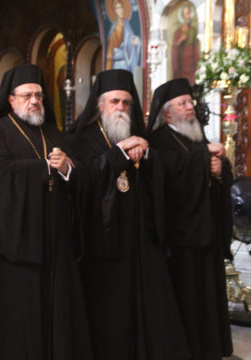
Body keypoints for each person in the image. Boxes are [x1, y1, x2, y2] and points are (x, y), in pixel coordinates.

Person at [66, 69, 189, 360]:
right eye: (114, 102)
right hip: (103, 242)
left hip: (140, 239)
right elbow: (82, 180)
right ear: (100, 105)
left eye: (125, 102)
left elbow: (158, 179)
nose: (121, 107)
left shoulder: (139, 135)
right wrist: (119, 153)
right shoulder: (81, 138)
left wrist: (146, 154)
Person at [0, 64, 92, 359]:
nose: (34, 101)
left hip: (54, 241)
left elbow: (77, 171)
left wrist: (66, 169)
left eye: (38, 95)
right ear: (11, 99)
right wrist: (44, 168)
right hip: (14, 245)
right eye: (27, 95)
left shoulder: (52, 132)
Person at [147, 78, 233, 360]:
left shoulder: (197, 136)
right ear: (168, 113)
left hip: (206, 229)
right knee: (186, 295)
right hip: (179, 235)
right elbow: (167, 171)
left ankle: (210, 348)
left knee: (208, 293)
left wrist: (219, 171)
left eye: (190, 102)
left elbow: (218, 169)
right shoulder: (158, 140)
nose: (190, 107)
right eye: (183, 103)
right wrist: (203, 158)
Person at [106, 0, 140, 74]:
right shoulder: (114, 29)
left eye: (121, 7)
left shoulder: (127, 25)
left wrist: (137, 42)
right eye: (118, 8)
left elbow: (132, 42)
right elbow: (110, 54)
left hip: (127, 65)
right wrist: (107, 73)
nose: (121, 10)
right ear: (115, 10)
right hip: (117, 65)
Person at [171, 5, 200, 85]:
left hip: (191, 62)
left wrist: (197, 63)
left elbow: (196, 47)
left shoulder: (193, 30)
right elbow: (174, 47)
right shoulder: (178, 32)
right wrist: (180, 40)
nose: (188, 16)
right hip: (182, 62)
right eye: (187, 14)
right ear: (183, 16)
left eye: (189, 13)